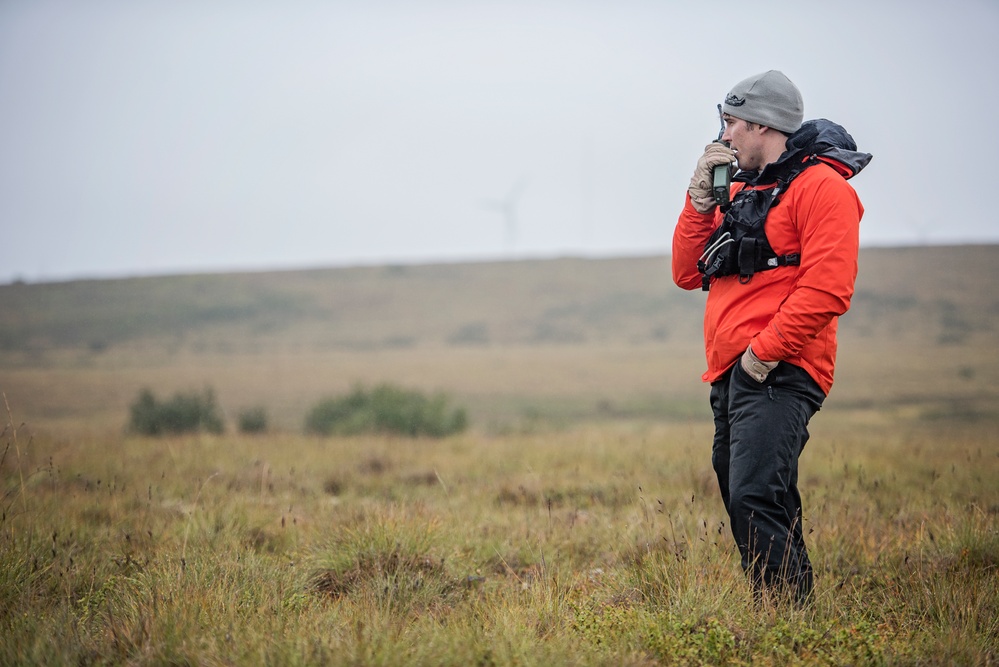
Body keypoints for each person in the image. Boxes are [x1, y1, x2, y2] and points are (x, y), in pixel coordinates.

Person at [671, 70, 871, 604]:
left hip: (780, 369)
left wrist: (762, 354)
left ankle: (781, 617)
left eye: (732, 123)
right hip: (732, 371)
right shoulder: (735, 188)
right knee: (752, 494)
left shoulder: (823, 189)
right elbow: (687, 273)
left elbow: (827, 290)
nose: (724, 136)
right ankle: (791, 613)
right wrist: (698, 204)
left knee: (755, 494)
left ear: (763, 124)